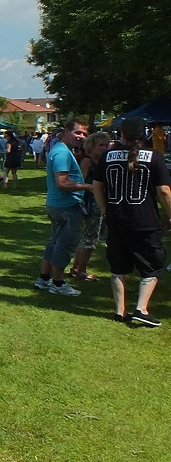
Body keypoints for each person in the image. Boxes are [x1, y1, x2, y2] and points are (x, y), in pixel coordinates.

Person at [92, 118, 171, 326]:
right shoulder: (154, 157)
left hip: (116, 219)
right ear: (144, 134)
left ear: (121, 133)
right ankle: (141, 309)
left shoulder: (107, 156)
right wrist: (170, 214)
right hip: (145, 221)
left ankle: (120, 311)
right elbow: (163, 190)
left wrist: (106, 209)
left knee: (118, 266)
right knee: (151, 266)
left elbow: (96, 186)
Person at [35, 120, 91, 297]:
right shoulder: (62, 153)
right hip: (66, 206)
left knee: (54, 242)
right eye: (78, 133)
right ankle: (57, 283)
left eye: (84, 134)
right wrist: (88, 187)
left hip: (56, 205)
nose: (81, 137)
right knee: (64, 244)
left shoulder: (61, 150)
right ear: (66, 131)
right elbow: (62, 182)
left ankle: (43, 279)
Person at [68, 131, 111, 282]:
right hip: (90, 202)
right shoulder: (87, 161)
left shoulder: (104, 161)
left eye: (107, 145)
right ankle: (81, 270)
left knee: (88, 237)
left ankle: (76, 268)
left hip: (100, 202)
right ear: (92, 146)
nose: (105, 148)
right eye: (101, 145)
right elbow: (80, 182)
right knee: (90, 237)